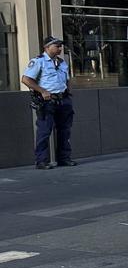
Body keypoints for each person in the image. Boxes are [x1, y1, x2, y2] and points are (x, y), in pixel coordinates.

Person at [23, 37, 76, 169]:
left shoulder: (62, 62)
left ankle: (64, 158)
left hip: (63, 99)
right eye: (57, 46)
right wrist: (42, 91)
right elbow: (26, 79)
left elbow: (67, 79)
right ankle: (41, 161)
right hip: (47, 101)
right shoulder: (38, 62)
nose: (60, 48)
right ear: (47, 47)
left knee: (65, 130)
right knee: (44, 131)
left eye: (60, 46)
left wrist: (68, 92)